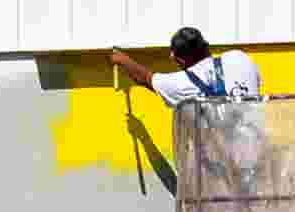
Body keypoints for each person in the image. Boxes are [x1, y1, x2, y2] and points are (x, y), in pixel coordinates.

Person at [114, 24, 267, 197]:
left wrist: (121, 59)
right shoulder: (240, 59)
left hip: (227, 174)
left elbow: (145, 78)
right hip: (260, 159)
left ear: (181, 60)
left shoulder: (184, 83)